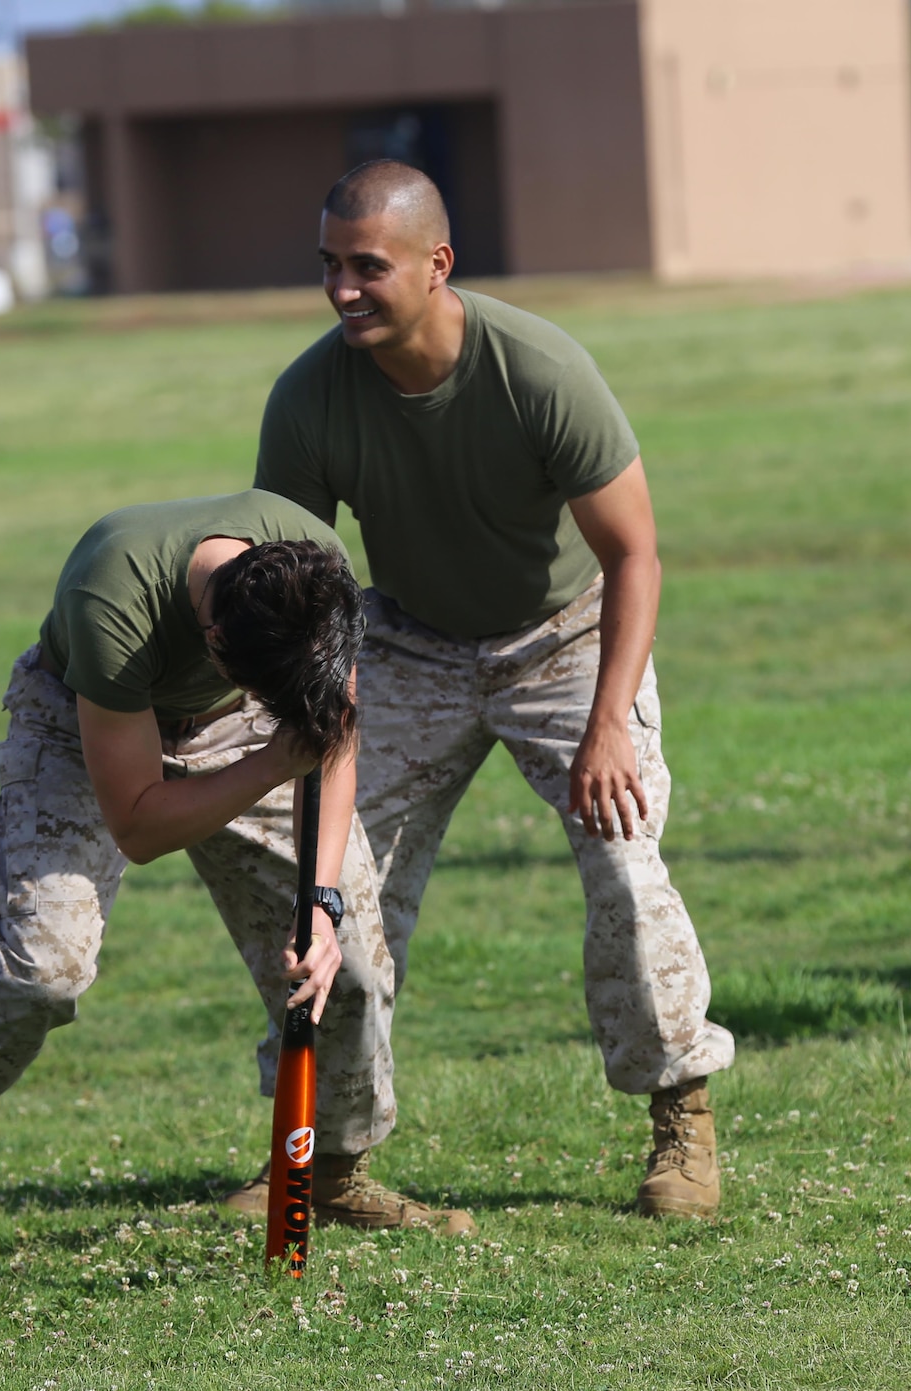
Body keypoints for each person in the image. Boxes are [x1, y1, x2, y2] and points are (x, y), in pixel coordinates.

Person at [244, 160, 734, 1223]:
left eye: (366, 267)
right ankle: (313, 1151)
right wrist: (314, 717)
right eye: (328, 266)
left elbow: (636, 553)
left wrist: (608, 723)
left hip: (566, 635)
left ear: (436, 264)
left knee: (621, 853)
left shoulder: (536, 368)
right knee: (335, 882)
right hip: (408, 641)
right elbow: (292, 584)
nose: (341, 291)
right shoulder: (311, 395)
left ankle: (679, 1118)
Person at [0, 491, 403, 1256]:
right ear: (215, 642)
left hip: (242, 726)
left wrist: (319, 908)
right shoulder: (113, 596)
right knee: (40, 970)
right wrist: (271, 760)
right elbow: (140, 821)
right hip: (84, 718)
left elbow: (333, 736)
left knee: (346, 966)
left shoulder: (315, 582)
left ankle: (328, 1173)